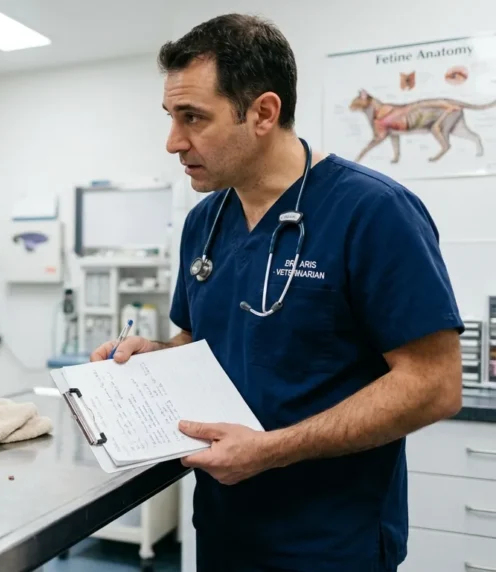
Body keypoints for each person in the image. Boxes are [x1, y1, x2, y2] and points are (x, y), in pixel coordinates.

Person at [91, 13, 463, 572]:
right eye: (171, 117)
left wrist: (270, 450)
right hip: (224, 528)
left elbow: (434, 385)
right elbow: (199, 343)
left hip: (331, 541)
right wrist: (158, 357)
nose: (173, 142)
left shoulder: (372, 212)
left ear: (263, 112)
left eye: (193, 118)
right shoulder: (205, 222)